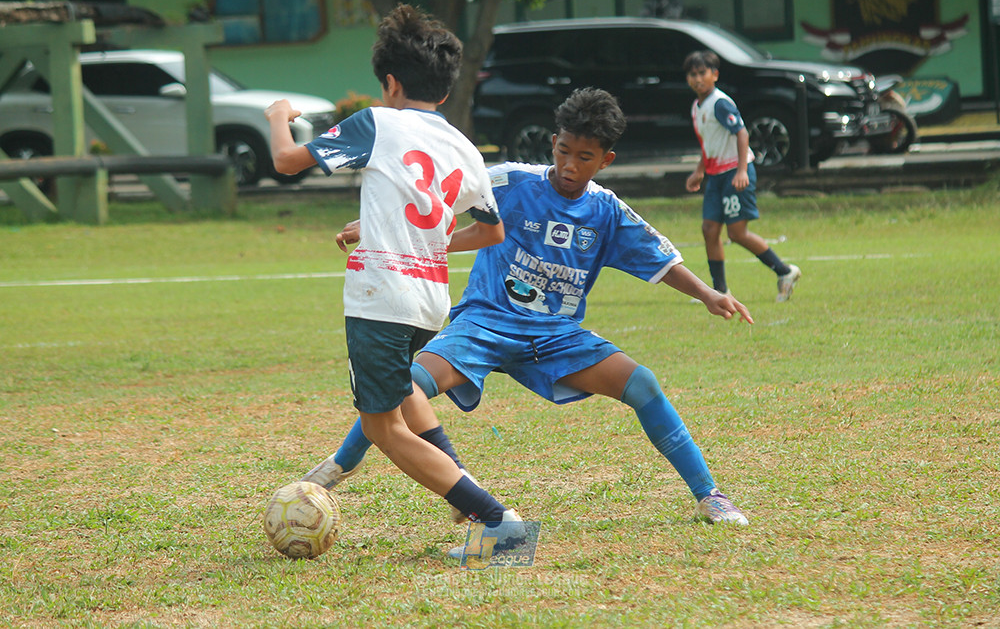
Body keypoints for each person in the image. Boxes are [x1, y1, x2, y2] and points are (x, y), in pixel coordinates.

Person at [302, 87, 754, 539]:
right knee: (406, 384)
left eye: (585, 157)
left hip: (554, 335)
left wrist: (707, 294)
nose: (570, 166)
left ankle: (709, 494)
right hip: (483, 322)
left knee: (642, 383)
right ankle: (342, 463)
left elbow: (660, 259)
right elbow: (434, 196)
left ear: (606, 160)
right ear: (553, 142)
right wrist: (380, 227)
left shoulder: (607, 210)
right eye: (563, 151)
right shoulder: (512, 180)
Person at [264, 4, 524, 540]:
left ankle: (498, 520)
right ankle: (465, 496)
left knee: (384, 428)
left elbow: (287, 161)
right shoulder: (466, 148)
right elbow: (492, 233)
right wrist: (406, 236)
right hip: (430, 301)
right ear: (445, 91)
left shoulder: (378, 122)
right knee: (405, 390)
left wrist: (276, 117)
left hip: (381, 296)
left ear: (389, 82)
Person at [683, 50, 802, 302]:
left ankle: (785, 271)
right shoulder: (697, 106)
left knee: (737, 233)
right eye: (692, 75)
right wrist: (699, 171)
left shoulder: (720, 103)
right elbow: (710, 143)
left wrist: (740, 170)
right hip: (715, 175)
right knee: (709, 229)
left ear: (715, 74)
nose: (697, 79)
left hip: (734, 173)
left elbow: (741, 133)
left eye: (702, 73)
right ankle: (719, 290)